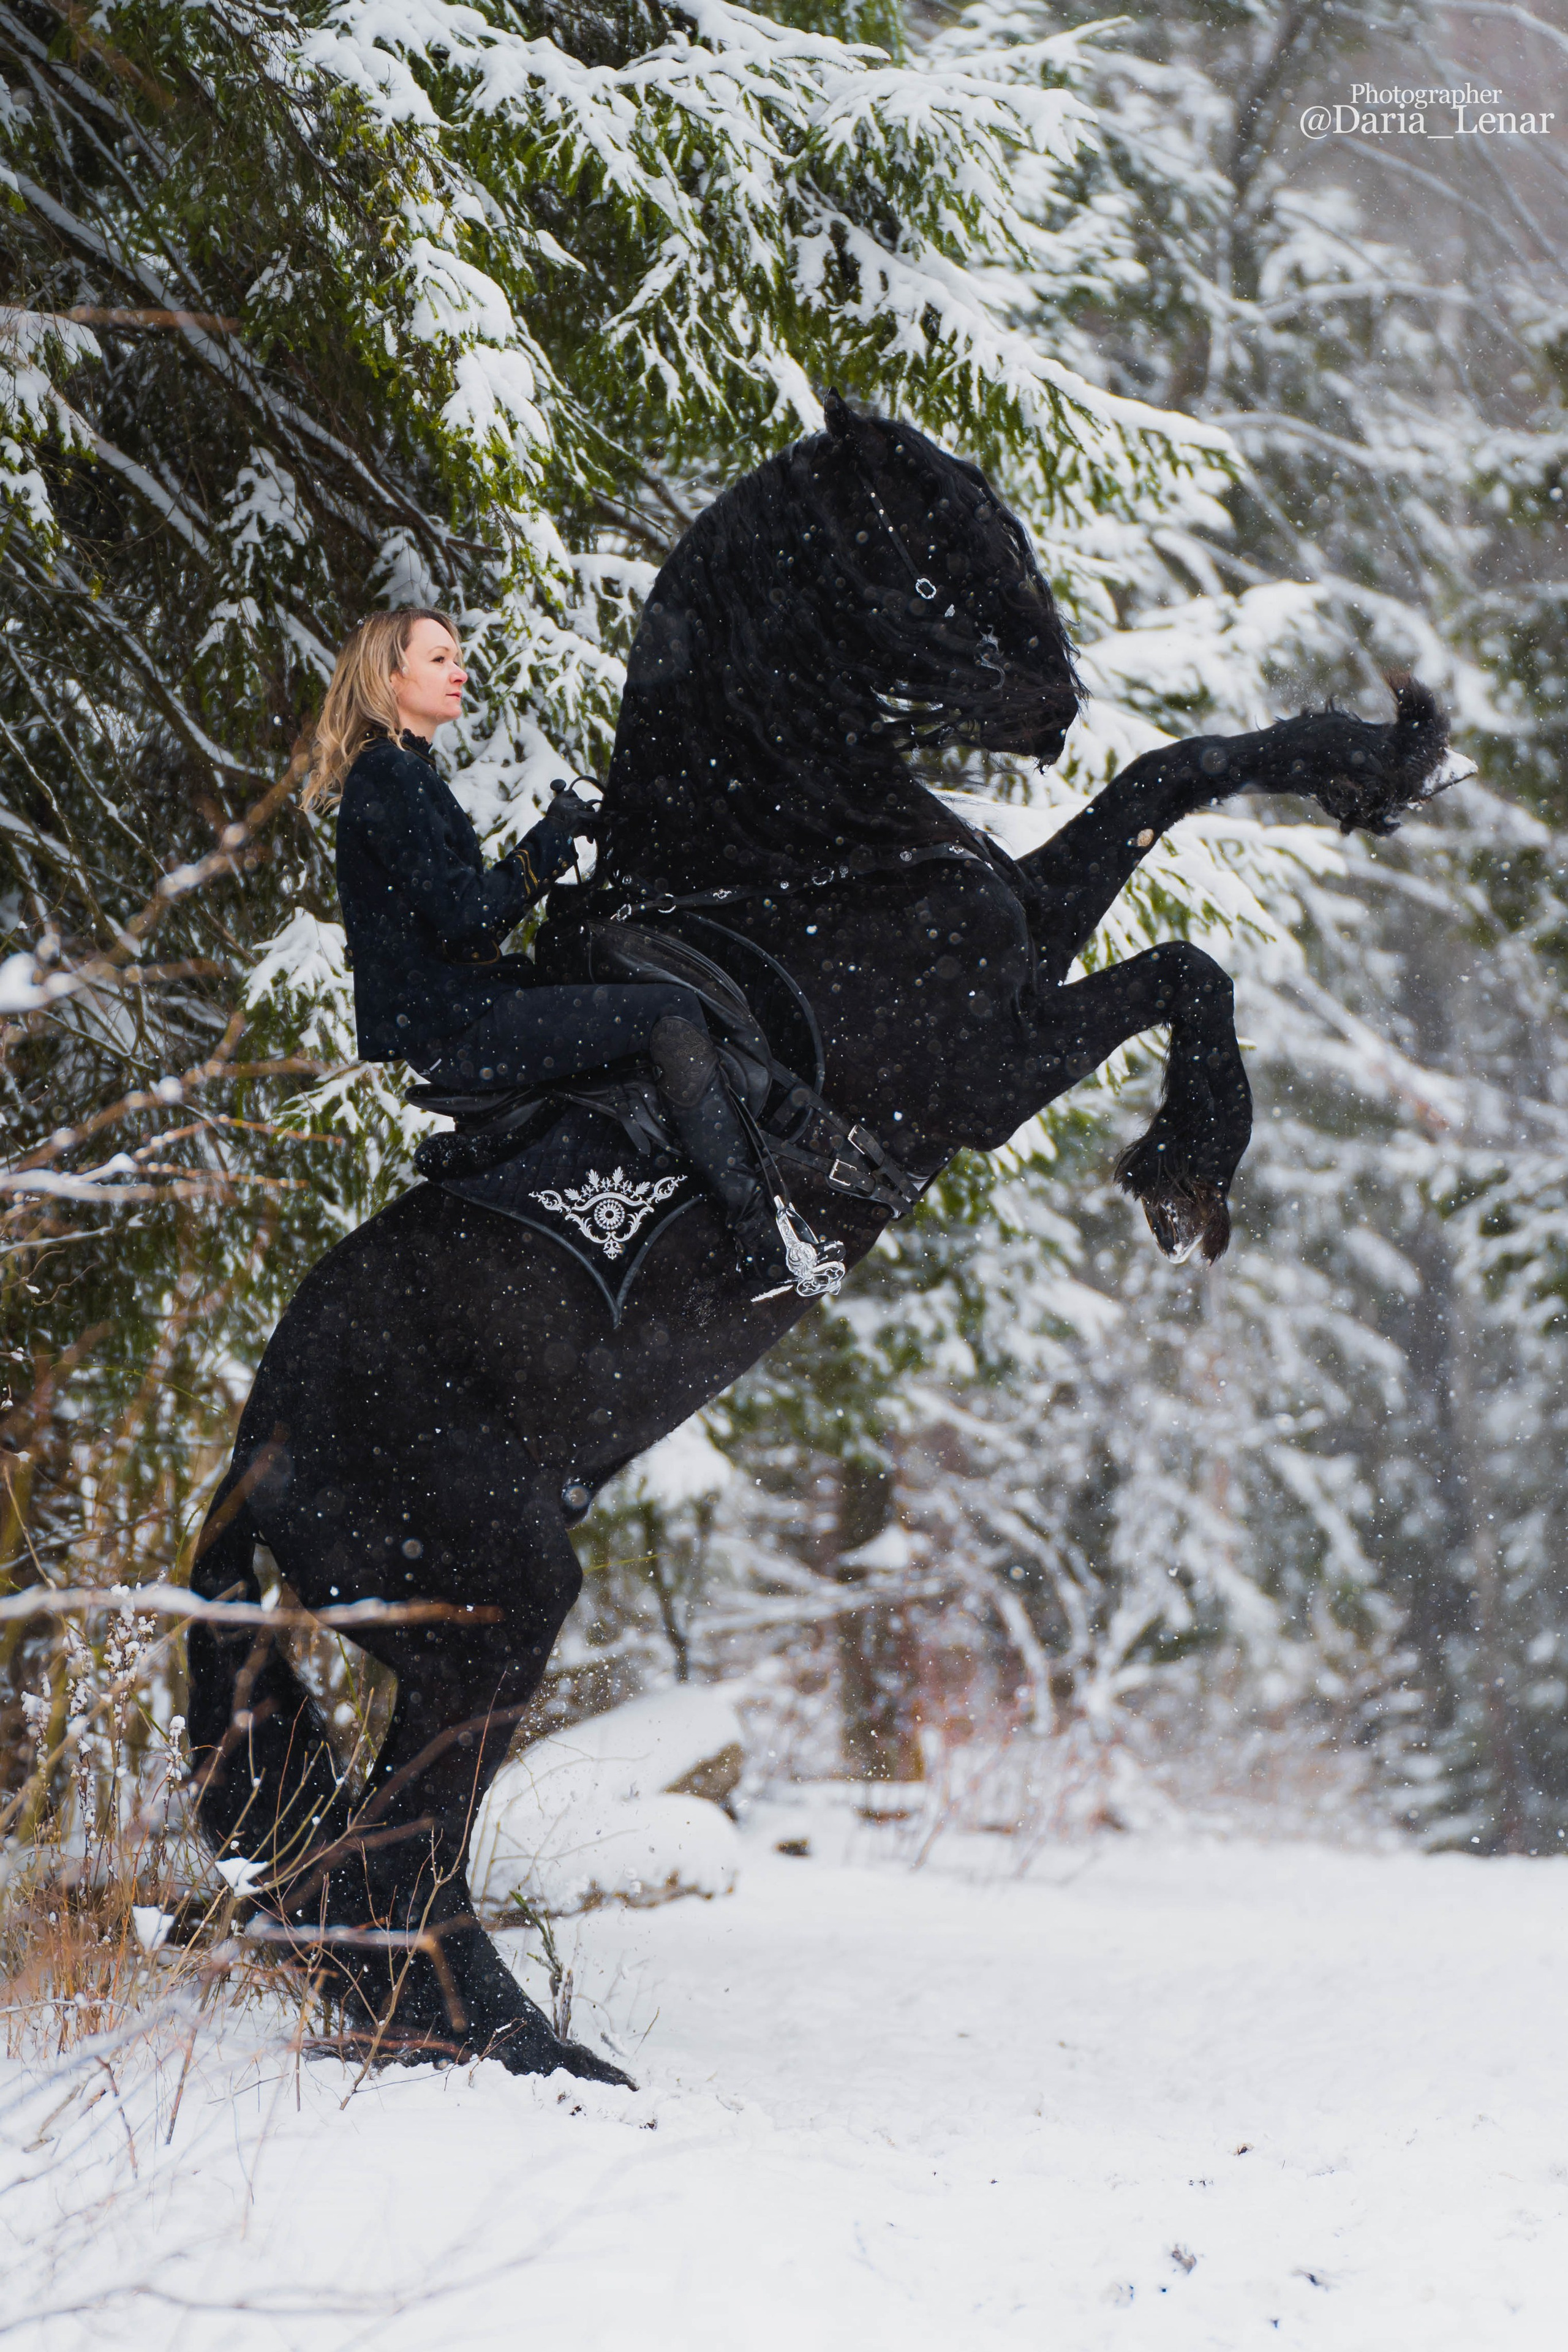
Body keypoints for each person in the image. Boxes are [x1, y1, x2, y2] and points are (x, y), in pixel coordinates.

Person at [304, 608, 832, 1292]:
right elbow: (467, 918)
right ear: (389, 675)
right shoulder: (392, 776)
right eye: (438, 658)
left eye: (457, 657)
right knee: (668, 1013)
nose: (459, 671)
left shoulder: (402, 772)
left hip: (460, 1014)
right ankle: (763, 1241)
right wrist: (552, 839)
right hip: (459, 1025)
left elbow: (454, 914)